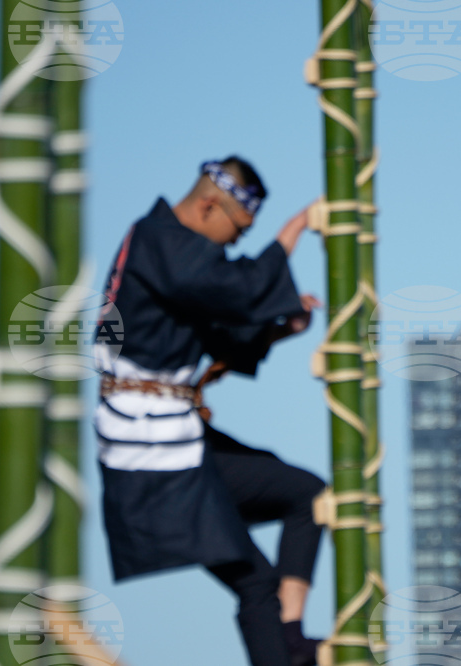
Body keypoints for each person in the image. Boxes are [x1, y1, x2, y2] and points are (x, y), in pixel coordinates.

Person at [94, 156, 323, 666]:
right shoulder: (159, 241)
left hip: (170, 443)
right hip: (151, 456)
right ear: (207, 205)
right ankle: (286, 645)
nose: (235, 244)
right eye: (236, 231)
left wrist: (280, 328)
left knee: (307, 497)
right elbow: (236, 290)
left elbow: (225, 329)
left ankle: (288, 637)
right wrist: (294, 230)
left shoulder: (164, 255)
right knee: (258, 583)